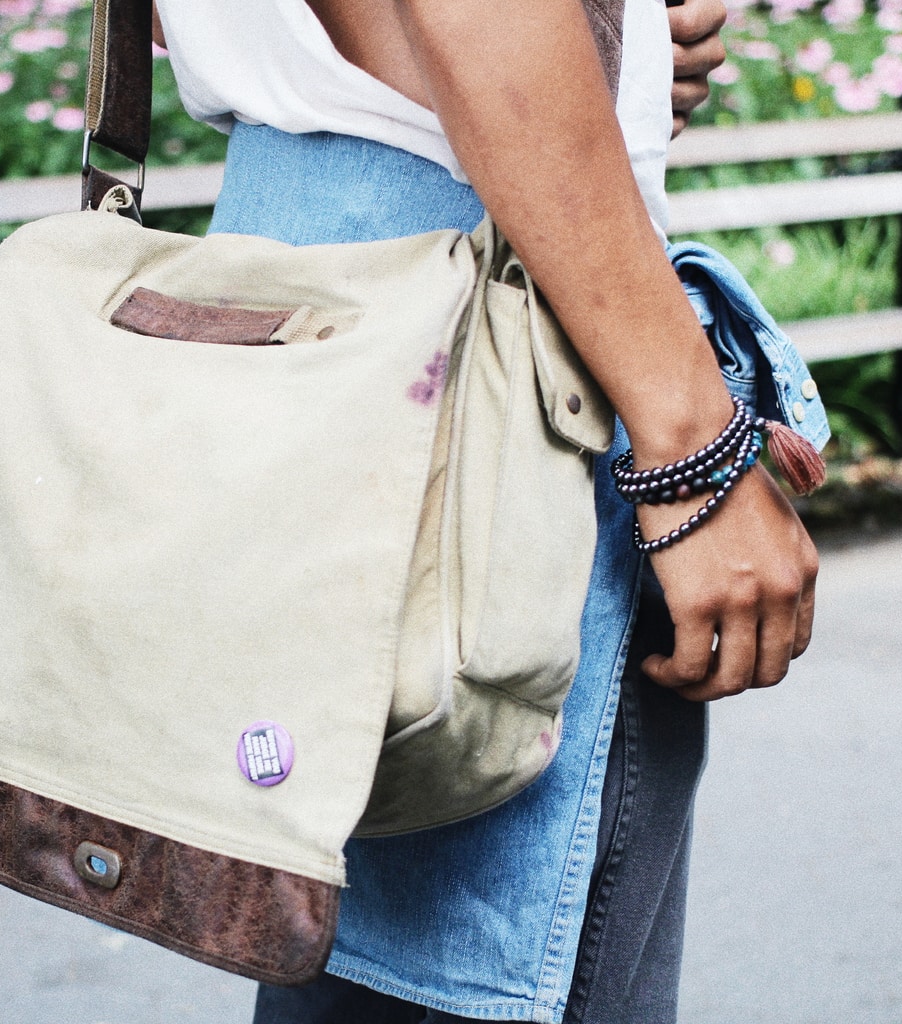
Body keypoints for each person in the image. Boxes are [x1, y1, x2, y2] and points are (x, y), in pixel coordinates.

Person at [149, 0, 827, 1020]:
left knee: (344, 950)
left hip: (293, 289)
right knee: (487, 971)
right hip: (488, 357)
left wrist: (605, 45)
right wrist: (694, 450)